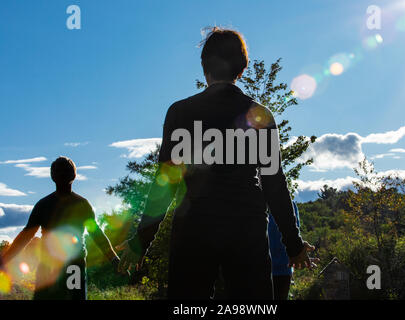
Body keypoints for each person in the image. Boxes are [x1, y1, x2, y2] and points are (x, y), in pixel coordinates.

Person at [118, 27, 317, 299]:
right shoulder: (260, 116)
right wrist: (293, 246)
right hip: (246, 232)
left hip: (193, 232)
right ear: (243, 68)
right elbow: (274, 184)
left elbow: (163, 185)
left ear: (204, 67)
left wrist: (142, 240)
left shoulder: (180, 113)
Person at [0, 156, 120, 300]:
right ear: (74, 176)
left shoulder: (46, 204)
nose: (62, 174)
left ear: (53, 176)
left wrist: (4, 261)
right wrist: (114, 260)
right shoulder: (79, 204)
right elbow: (97, 235)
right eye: (60, 171)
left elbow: (25, 236)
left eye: (63, 171)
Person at [268, 201, 301, 300]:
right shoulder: (289, 204)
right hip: (282, 268)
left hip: (281, 268)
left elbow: (295, 234)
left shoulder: (254, 202)